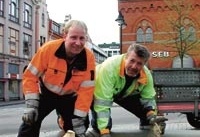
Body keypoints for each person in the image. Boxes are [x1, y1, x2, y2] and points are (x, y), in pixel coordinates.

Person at [17, 20, 95, 137]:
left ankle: (62, 121)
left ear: (86, 39)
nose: (78, 43)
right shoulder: (48, 49)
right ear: (65, 36)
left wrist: (80, 117)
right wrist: (31, 105)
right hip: (46, 94)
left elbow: (86, 91)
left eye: (82, 38)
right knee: (30, 121)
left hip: (69, 97)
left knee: (79, 127)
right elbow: (30, 76)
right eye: (73, 37)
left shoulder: (89, 57)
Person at [86, 43, 167, 137]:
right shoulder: (109, 68)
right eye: (132, 61)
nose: (134, 66)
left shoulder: (146, 74)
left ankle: (147, 123)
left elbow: (148, 98)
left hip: (123, 92)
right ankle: (98, 128)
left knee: (148, 114)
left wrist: (152, 116)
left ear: (144, 64)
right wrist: (104, 131)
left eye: (139, 63)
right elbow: (102, 102)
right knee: (103, 126)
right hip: (99, 90)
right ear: (126, 57)